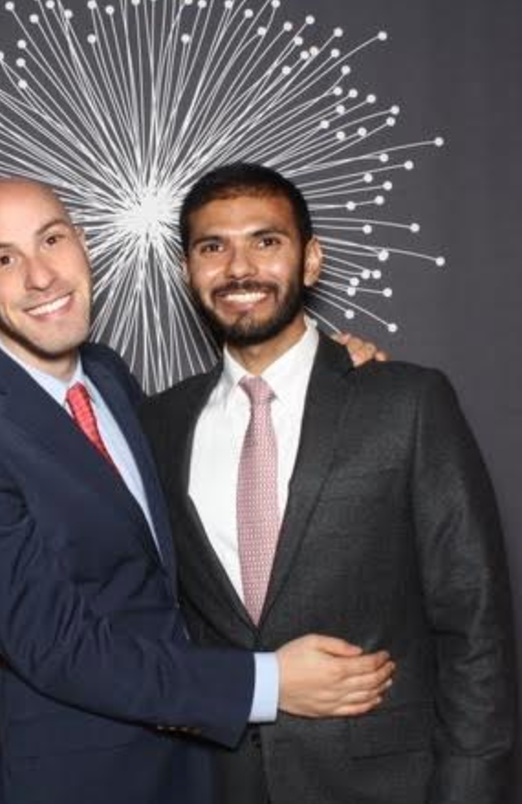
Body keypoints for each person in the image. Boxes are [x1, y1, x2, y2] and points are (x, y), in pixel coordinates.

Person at [0, 177, 395, 804]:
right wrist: (269, 683)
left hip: (194, 766)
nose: (41, 276)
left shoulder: (106, 375)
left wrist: (330, 372)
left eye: (52, 240)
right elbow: (61, 649)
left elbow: (148, 553)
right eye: (4, 259)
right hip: (79, 780)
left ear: (83, 247)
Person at [138, 162, 518, 804]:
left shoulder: (407, 401)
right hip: (217, 783)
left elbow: (474, 623)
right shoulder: (157, 424)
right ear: (187, 272)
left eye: (266, 241)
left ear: (310, 261)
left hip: (386, 783)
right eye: (213, 247)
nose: (238, 268)